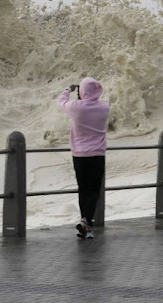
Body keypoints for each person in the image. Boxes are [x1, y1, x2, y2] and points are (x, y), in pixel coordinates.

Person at [57, 77, 110, 239]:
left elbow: (60, 102)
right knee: (93, 191)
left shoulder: (76, 108)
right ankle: (86, 222)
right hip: (97, 155)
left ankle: (85, 223)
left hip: (79, 155)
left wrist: (68, 89)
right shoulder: (104, 107)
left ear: (82, 92)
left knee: (83, 189)